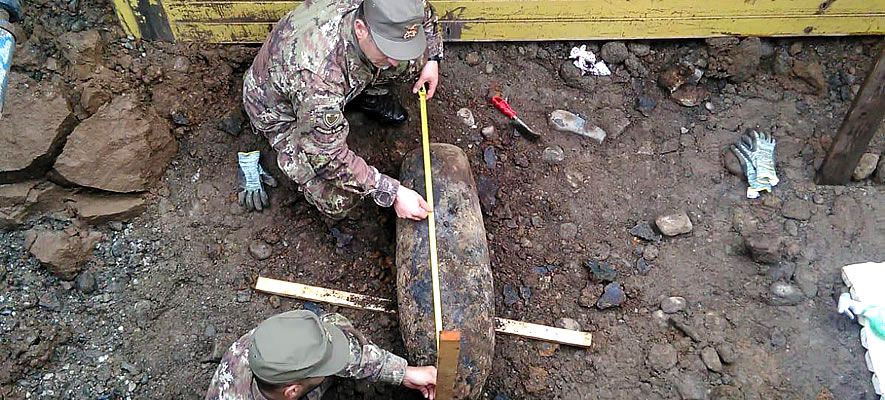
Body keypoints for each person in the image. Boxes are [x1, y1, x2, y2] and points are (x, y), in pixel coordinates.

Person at [237, 0, 444, 221]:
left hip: (321, 81)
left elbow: (424, 12)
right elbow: (325, 156)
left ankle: (368, 97)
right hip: (280, 111)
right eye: (387, 49)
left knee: (414, 60)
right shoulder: (317, 81)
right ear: (360, 28)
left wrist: (433, 59)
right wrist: (392, 192)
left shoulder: (389, 7)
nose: (393, 60)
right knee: (338, 199)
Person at [205, 310, 437, 399]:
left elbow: (341, 341)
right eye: (324, 367)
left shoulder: (265, 344)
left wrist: (403, 372)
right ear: (292, 391)